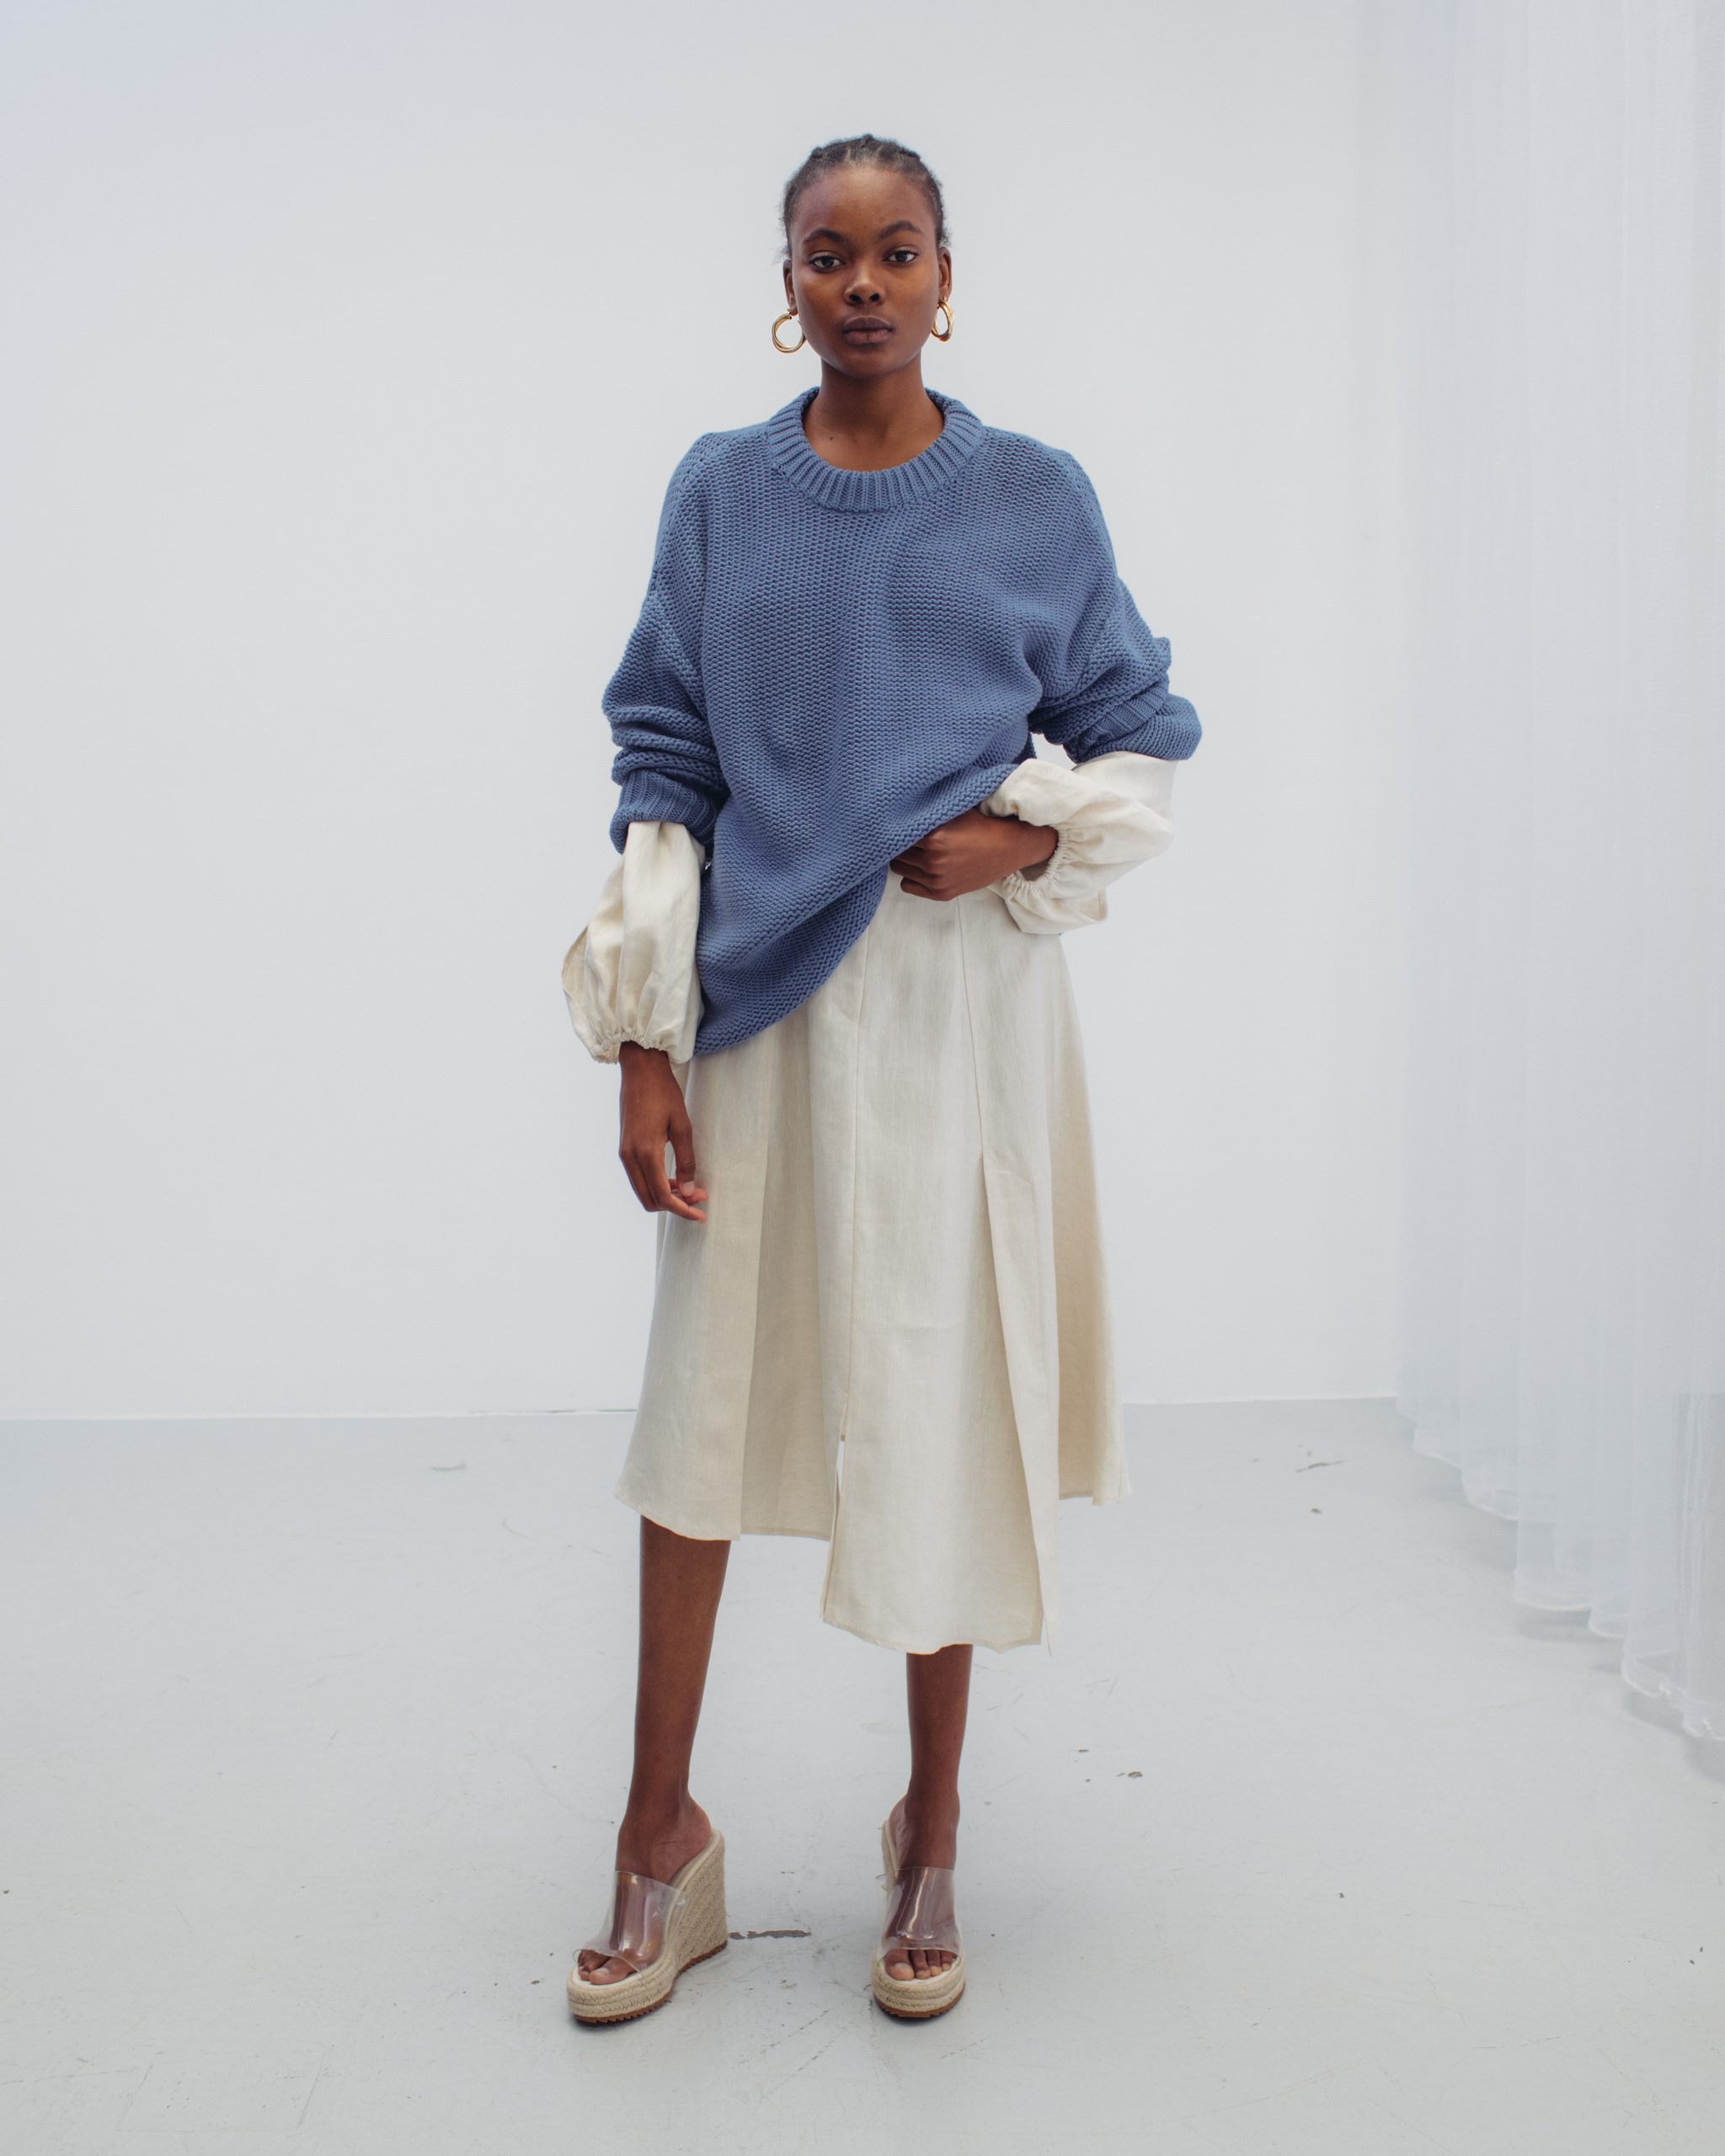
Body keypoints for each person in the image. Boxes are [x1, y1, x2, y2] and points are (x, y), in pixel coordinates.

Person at [559, 132, 1201, 2025]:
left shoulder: (1031, 496)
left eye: (896, 250)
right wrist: (643, 1045)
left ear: (944, 276)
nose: (861, 284)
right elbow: (666, 753)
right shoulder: (719, 492)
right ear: (786, 280)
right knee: (702, 1416)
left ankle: (931, 1825)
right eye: (827, 254)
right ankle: (658, 1833)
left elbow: (1137, 725)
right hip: (758, 999)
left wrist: (1028, 838)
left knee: (938, 1394)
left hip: (954, 1004)